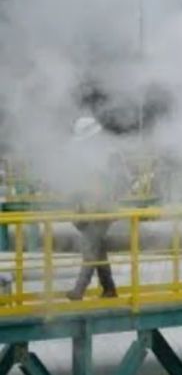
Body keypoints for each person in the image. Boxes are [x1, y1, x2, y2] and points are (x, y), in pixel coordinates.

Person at [66, 116, 119, 300]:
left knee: (90, 249)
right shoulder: (94, 155)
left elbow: (112, 184)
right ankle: (109, 289)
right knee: (98, 249)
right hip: (90, 211)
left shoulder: (108, 156)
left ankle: (79, 290)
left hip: (100, 211)